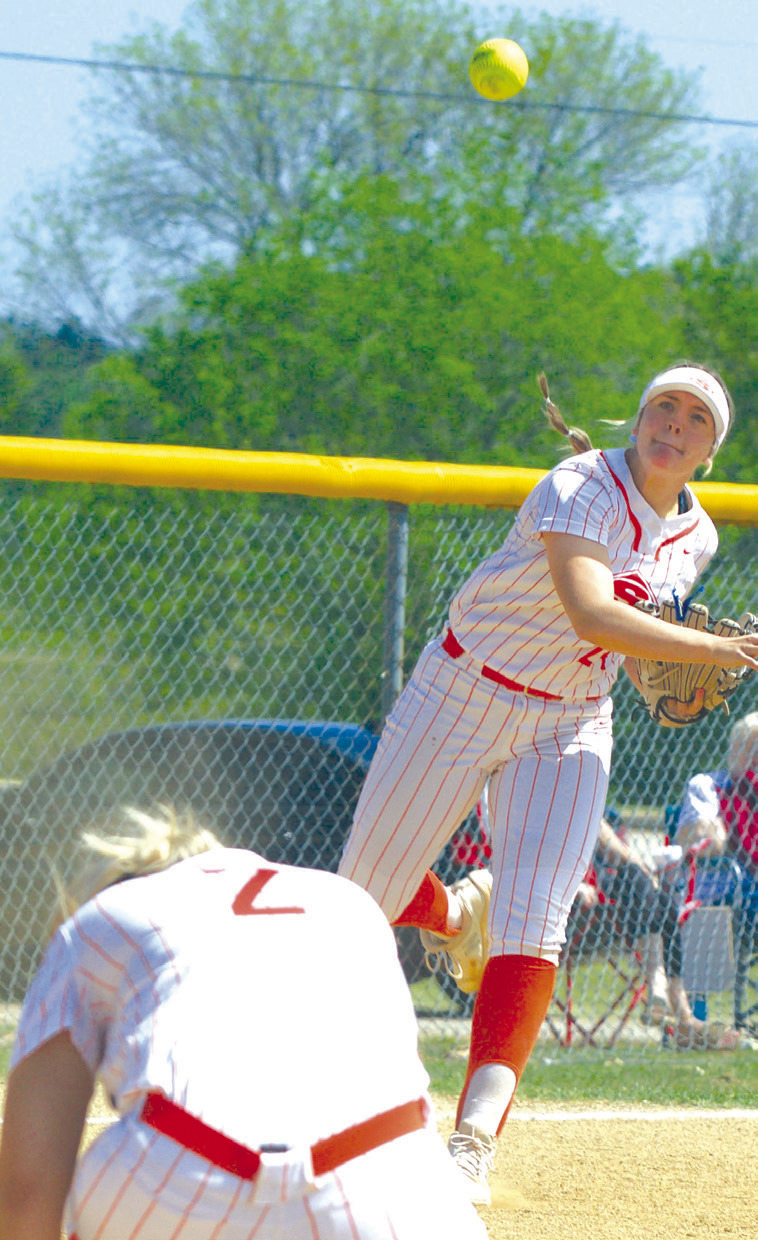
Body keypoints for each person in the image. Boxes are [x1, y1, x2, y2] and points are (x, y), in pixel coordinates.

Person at [338, 363, 758, 1204]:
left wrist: (656, 676)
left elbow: (625, 645)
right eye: (663, 408)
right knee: (361, 896)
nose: (675, 425)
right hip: (464, 689)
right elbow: (591, 612)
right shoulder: (580, 481)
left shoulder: (699, 535)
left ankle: (471, 1140)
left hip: (571, 721)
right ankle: (455, 913)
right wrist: (720, 654)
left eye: (696, 421)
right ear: (638, 417)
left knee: (538, 921)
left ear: (711, 452)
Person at [0, 807, 487, 1240]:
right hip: (386, 1181)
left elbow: (27, 1192)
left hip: (174, 1171)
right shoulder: (349, 900)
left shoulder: (99, 918)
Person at [569, 814, 741, 1050]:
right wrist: (574, 886)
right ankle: (677, 1009)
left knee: (658, 896)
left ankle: (676, 1008)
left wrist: (647, 876)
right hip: (573, 918)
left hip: (615, 916)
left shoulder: (585, 807)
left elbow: (624, 856)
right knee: (638, 880)